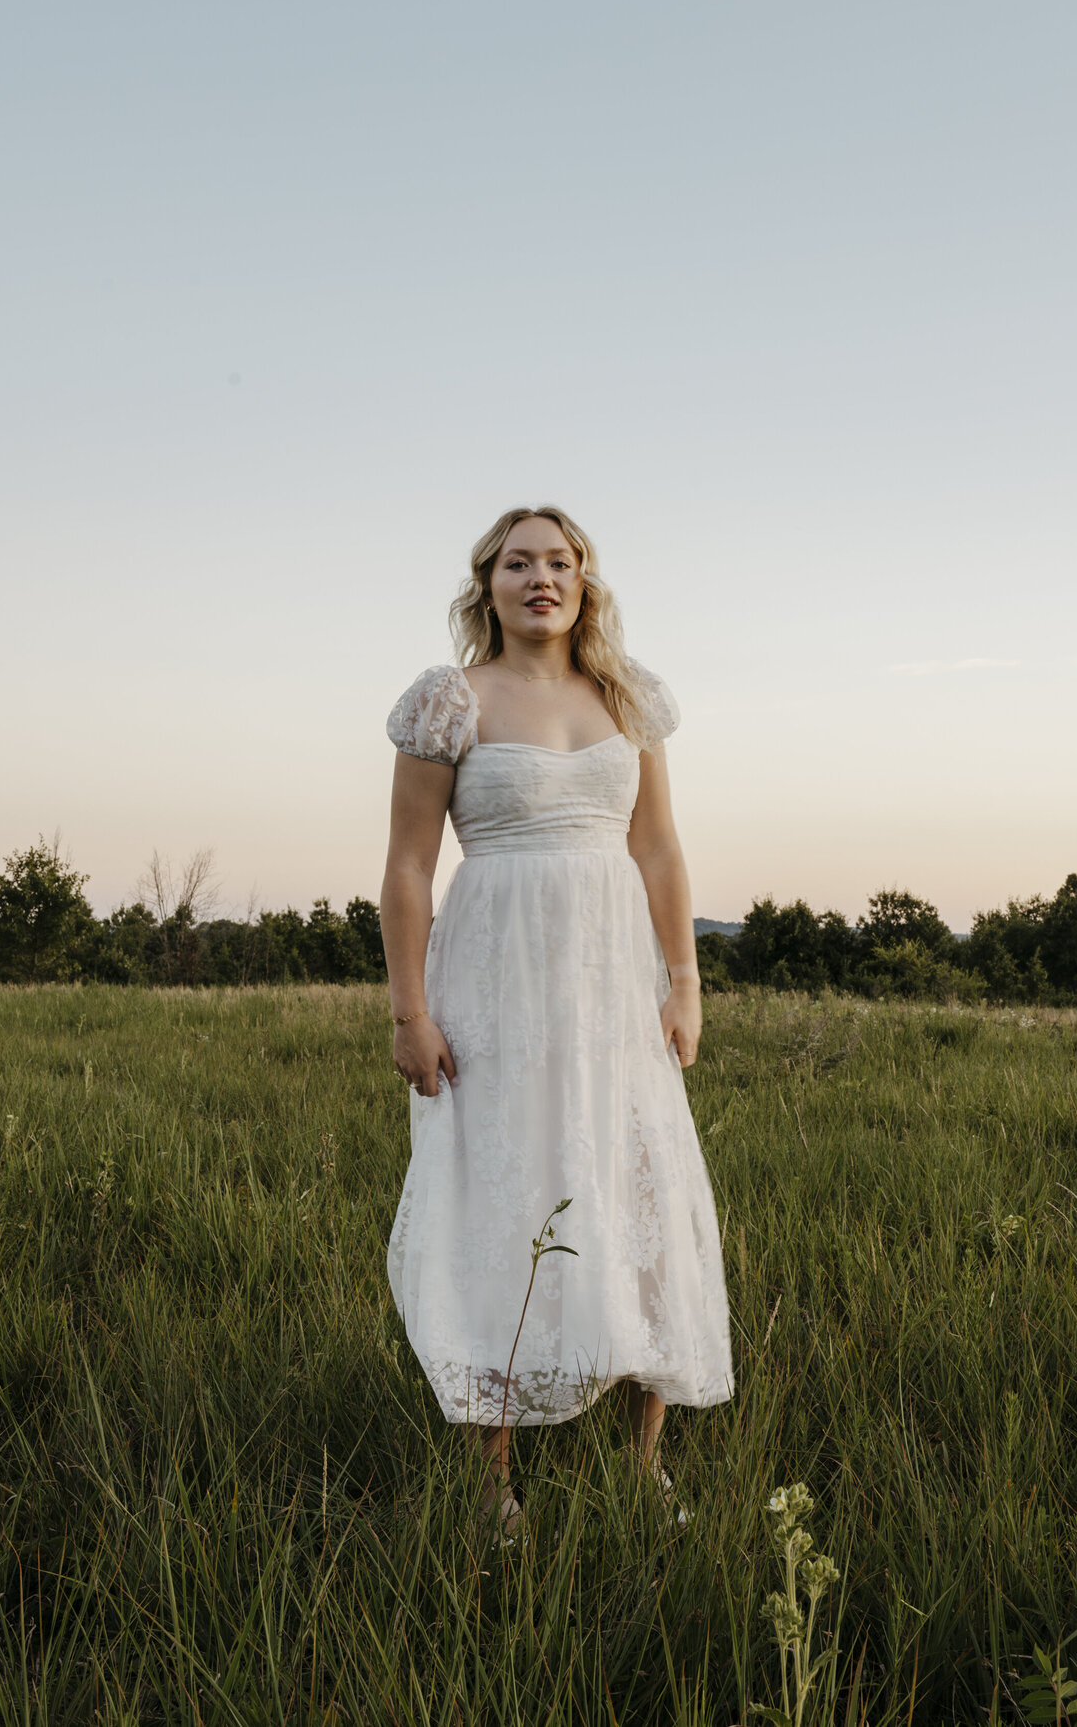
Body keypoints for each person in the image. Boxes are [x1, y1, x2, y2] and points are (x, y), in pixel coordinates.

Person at [379, 505, 733, 1542]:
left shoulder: (626, 696)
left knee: (640, 1191)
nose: (542, 577)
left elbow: (659, 850)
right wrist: (410, 1011)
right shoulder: (449, 701)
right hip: (492, 980)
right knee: (502, 1195)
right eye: (519, 562)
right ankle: (494, 1488)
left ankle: (643, 1464)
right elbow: (407, 866)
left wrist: (684, 984)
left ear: (586, 580)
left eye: (561, 560)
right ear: (486, 583)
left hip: (612, 985)